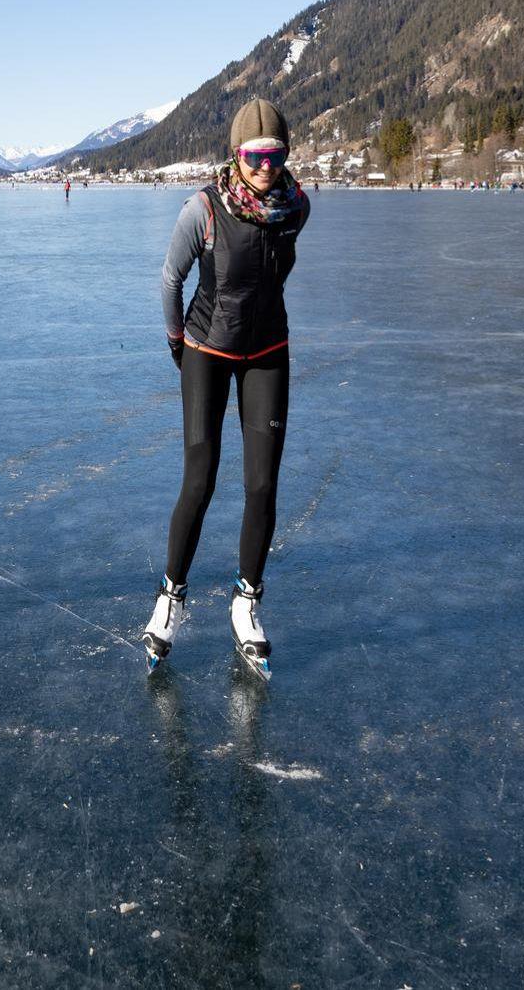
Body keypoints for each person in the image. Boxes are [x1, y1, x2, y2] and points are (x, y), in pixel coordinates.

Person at [143, 98, 310, 679]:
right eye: (255, 155)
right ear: (236, 154)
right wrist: (177, 342)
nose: (266, 166)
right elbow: (171, 279)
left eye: (276, 155)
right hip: (207, 351)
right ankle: (171, 598)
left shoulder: (296, 207)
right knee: (200, 477)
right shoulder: (204, 208)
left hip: (267, 351)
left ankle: (246, 603)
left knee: (262, 484)